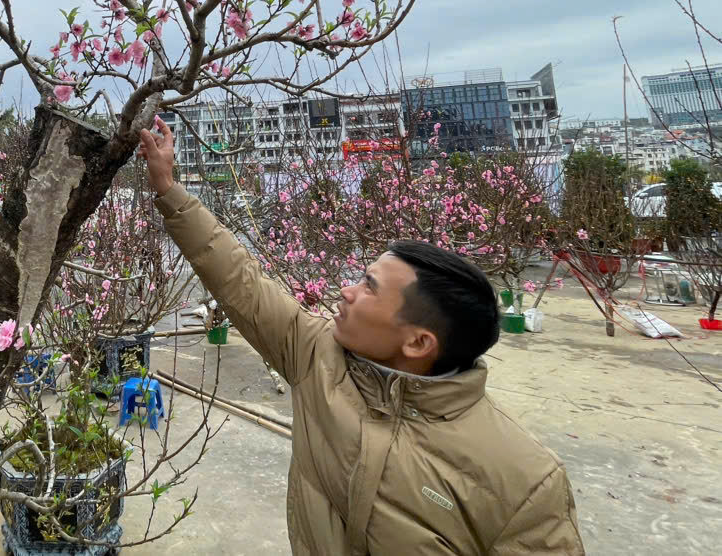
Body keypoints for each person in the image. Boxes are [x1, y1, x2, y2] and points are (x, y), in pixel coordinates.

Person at [138, 117, 584, 555]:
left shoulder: (524, 480)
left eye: (369, 286)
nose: (346, 291)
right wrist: (168, 189)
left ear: (418, 343)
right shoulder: (317, 357)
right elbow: (240, 280)